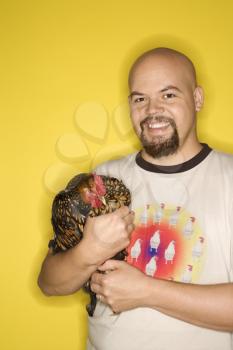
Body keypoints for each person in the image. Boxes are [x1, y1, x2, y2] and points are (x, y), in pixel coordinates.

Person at [38, 47, 233, 350]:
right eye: (140, 98)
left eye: (168, 95)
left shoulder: (229, 178)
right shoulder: (102, 181)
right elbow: (49, 283)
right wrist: (89, 250)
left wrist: (147, 291)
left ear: (197, 99)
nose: (152, 110)